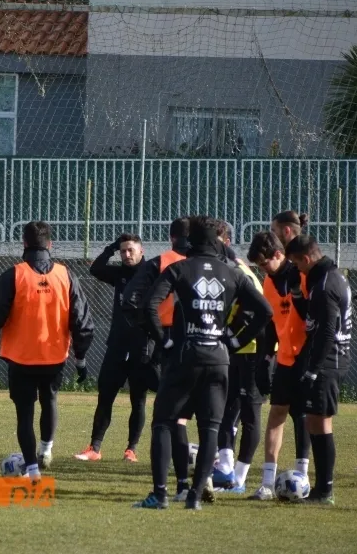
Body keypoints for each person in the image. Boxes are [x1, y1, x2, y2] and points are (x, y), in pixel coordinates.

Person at [134, 216, 271, 510]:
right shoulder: (233, 273)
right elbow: (264, 310)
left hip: (186, 354)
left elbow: (148, 305)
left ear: (190, 241)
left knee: (163, 421)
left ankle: (160, 495)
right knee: (211, 428)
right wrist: (233, 340)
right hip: (219, 358)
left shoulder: (179, 268)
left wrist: (165, 341)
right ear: (218, 241)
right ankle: (194, 497)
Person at [0, 221, 96, 481]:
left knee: (24, 413)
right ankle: (46, 449)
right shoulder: (66, 275)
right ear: (50, 244)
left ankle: (32, 469)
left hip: (21, 356)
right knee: (50, 400)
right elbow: (82, 320)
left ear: (24, 243)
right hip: (54, 355)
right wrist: (81, 356)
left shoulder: (15, 274)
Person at [122, 218, 192, 499]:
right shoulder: (220, 264)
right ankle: (212, 471)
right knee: (211, 419)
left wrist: (153, 331)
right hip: (213, 347)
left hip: (169, 342)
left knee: (167, 416)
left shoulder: (163, 262)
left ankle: (168, 488)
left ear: (171, 237)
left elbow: (130, 300)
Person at [75, 233, 154, 463]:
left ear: (141, 251)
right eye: (123, 251)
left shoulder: (152, 272)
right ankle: (95, 447)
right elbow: (96, 269)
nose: (127, 255)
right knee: (105, 396)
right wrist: (111, 247)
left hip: (142, 347)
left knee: (138, 399)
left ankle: (131, 450)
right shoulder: (119, 273)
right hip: (117, 345)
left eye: (131, 250)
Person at [246, 230, 312, 501]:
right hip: (285, 356)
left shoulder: (304, 277)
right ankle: (267, 483)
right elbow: (271, 324)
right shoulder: (269, 283)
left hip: (307, 356)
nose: (264, 270)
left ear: (278, 255)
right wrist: (265, 359)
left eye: (265, 264)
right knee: (276, 413)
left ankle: (302, 475)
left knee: (304, 416)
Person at [285, 234, 351, 505]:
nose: (296, 268)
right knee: (313, 419)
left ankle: (325, 490)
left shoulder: (325, 284)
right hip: (326, 360)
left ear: (307, 258)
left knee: (321, 421)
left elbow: (326, 332)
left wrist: (313, 369)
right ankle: (322, 488)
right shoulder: (324, 277)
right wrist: (299, 296)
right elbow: (313, 319)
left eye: (296, 263)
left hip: (328, 360)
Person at [211, 220, 270, 494]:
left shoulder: (239, 271)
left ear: (224, 243)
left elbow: (257, 311)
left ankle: (241, 476)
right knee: (224, 410)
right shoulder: (223, 268)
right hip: (233, 352)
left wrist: (233, 337)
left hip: (252, 353)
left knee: (249, 414)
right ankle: (225, 470)